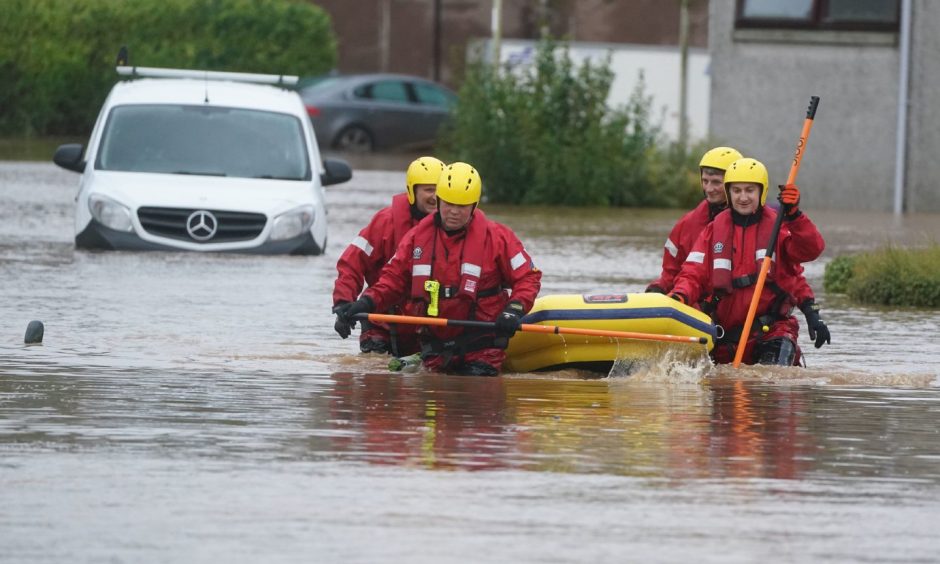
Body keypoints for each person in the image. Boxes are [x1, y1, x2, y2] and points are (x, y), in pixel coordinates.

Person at [333, 162, 542, 376]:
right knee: (430, 403)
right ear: (440, 201)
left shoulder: (499, 238)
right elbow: (392, 281)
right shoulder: (416, 238)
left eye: (462, 206)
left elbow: (528, 277)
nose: (453, 212)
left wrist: (513, 311)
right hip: (434, 348)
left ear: (474, 206)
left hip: (482, 346)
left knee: (478, 400)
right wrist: (362, 303)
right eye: (449, 204)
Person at [668, 157, 831, 366]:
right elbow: (692, 273)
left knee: (771, 385)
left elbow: (810, 251)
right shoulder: (713, 230)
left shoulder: (778, 227)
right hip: (724, 336)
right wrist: (678, 297)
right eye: (736, 191)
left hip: (771, 332)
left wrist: (795, 215)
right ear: (729, 193)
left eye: (749, 190)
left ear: (761, 192)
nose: (743, 197)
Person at [332, 156, 444, 355]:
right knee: (377, 375)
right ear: (412, 191)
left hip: (428, 326)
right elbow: (352, 263)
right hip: (381, 324)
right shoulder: (385, 223)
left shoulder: (452, 227)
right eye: (429, 189)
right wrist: (343, 304)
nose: (435, 197)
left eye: (440, 190)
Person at [646, 146, 743, 295]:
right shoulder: (687, 223)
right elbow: (670, 273)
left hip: (735, 307)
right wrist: (658, 289)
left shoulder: (752, 223)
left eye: (716, 182)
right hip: (694, 302)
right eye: (705, 181)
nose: (709, 189)